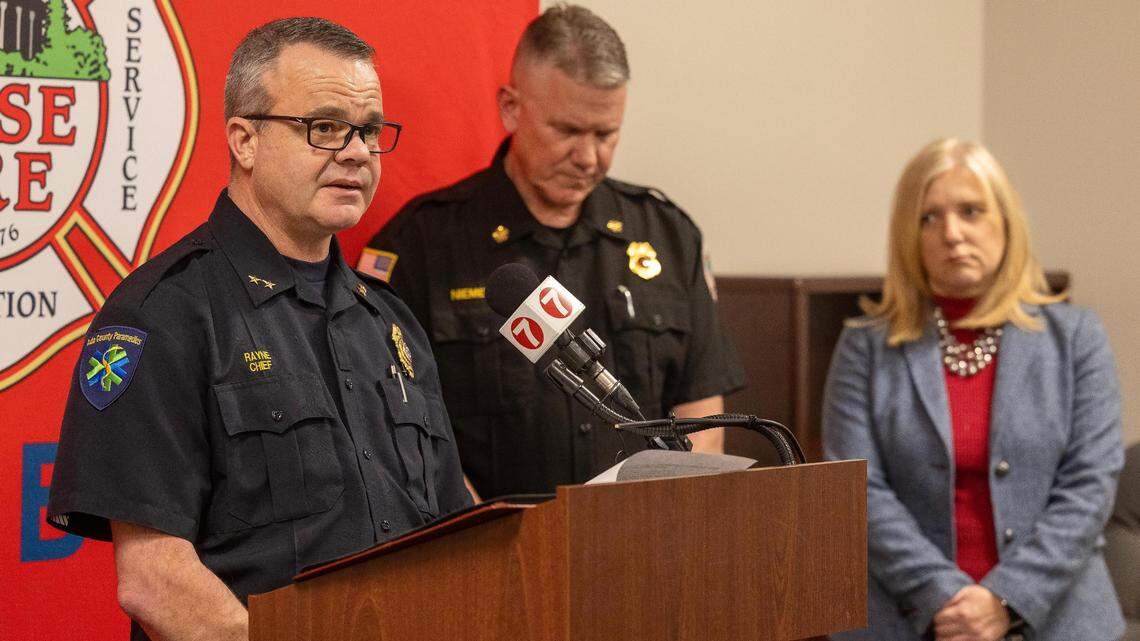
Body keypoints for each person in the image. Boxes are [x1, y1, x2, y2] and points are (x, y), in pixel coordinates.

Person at [46, 18, 471, 641]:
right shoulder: (160, 313)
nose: (356, 151)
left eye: (370, 132)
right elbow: (153, 579)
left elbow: (452, 531)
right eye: (324, 128)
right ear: (244, 140)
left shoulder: (390, 323)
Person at [363, 4, 745, 500]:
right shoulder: (422, 243)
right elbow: (406, 427)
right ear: (511, 107)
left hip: (645, 541)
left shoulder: (668, 234)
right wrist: (494, 544)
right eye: (566, 131)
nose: (588, 158)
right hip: (492, 550)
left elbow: (701, 412)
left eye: (605, 135)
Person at [822, 138, 1124, 641]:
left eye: (971, 211)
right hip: (903, 617)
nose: (953, 233)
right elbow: (856, 489)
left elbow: (1090, 484)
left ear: (1005, 222)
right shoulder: (864, 347)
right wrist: (945, 599)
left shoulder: (1076, 338)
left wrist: (1006, 599)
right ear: (908, 236)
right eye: (929, 218)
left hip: (1058, 618)